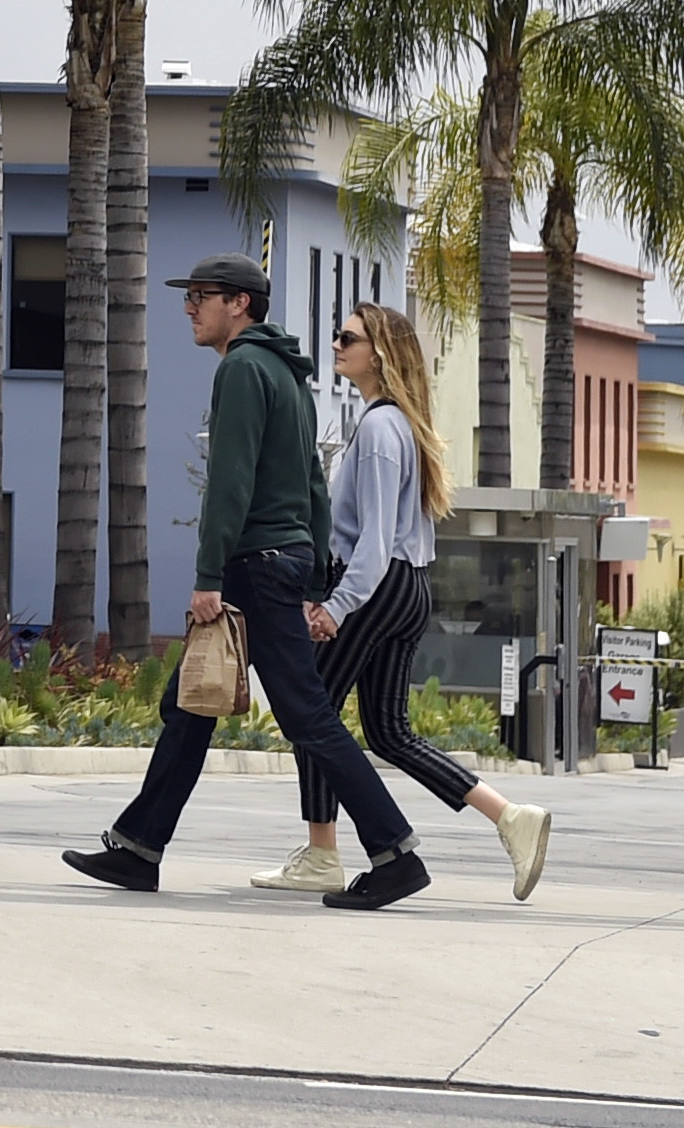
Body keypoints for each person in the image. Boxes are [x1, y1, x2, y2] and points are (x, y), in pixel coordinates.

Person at [62, 255, 427, 910]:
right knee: (189, 708)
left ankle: (394, 852)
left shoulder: (242, 370)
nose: (188, 308)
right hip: (281, 560)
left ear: (240, 304)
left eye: (200, 296)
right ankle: (137, 849)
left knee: (308, 717)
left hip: (252, 567)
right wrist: (313, 575)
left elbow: (230, 483)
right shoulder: (288, 376)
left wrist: (209, 577)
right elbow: (314, 485)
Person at [255, 304, 552, 900]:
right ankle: (511, 818)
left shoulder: (380, 430)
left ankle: (323, 853)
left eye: (348, 337)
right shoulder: (397, 425)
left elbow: (374, 542)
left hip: (377, 585)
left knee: (310, 716)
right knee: (388, 732)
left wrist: (336, 606)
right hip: (408, 587)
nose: (336, 343)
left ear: (380, 353)